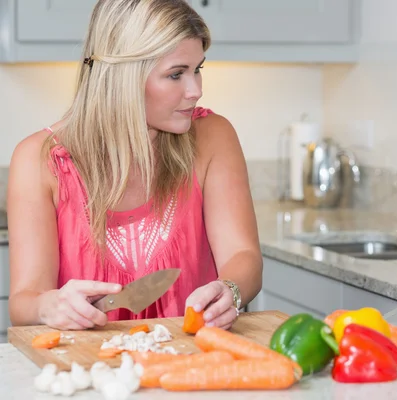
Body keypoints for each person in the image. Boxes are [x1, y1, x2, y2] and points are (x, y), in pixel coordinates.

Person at [7, 0, 263, 331]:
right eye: (176, 74)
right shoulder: (38, 161)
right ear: (123, 78)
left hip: (194, 362)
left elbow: (244, 256)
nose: (195, 90)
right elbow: (24, 301)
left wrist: (230, 288)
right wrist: (48, 306)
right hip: (88, 371)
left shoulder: (214, 137)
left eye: (197, 69)